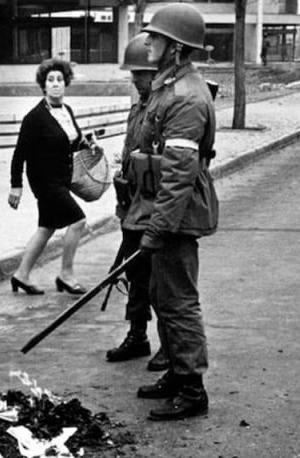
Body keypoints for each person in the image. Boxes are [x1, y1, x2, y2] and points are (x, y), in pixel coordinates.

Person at [134, 3, 219, 421]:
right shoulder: (170, 86)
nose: (148, 40)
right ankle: (175, 370)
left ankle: (192, 388)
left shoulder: (185, 97)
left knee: (179, 300)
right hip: (165, 208)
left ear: (176, 47)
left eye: (156, 36)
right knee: (160, 295)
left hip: (177, 212)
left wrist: (157, 228)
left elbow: (180, 174)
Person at [105, 32, 169, 373]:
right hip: (132, 205)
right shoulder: (138, 108)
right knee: (134, 273)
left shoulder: (165, 109)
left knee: (160, 280)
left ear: (156, 73)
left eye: (139, 75)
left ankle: (169, 345)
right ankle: (138, 334)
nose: (134, 80)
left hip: (156, 206)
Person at [8, 58, 93, 296]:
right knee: (78, 221)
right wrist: (16, 186)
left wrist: (86, 144)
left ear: (66, 84)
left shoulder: (67, 111)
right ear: (43, 86)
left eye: (60, 80)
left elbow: (71, 143)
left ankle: (21, 275)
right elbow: (19, 154)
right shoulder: (35, 117)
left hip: (61, 180)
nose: (56, 84)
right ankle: (66, 275)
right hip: (45, 182)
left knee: (46, 227)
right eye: (50, 80)